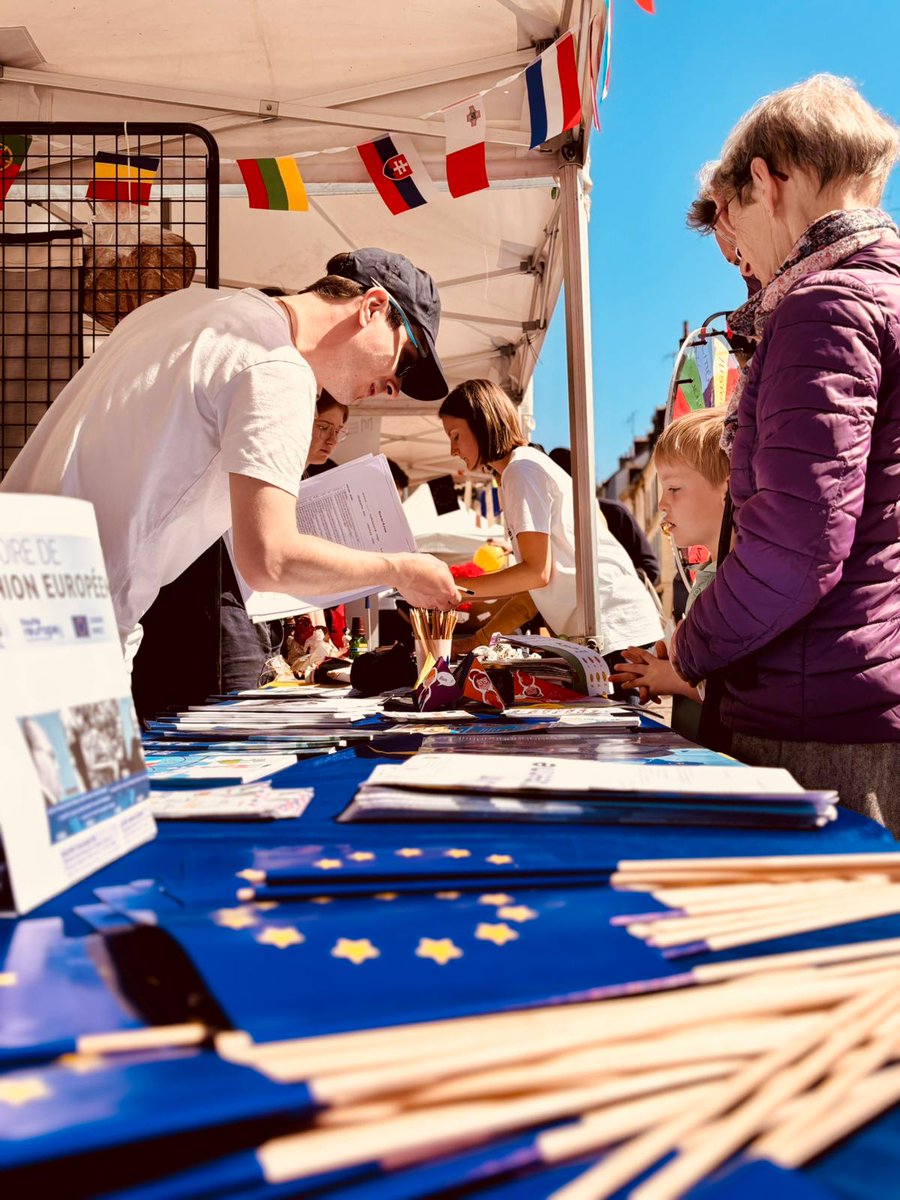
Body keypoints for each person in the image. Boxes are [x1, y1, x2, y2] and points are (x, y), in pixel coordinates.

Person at [1, 248, 462, 673]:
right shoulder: (276, 365)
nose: (394, 387)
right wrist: (399, 569)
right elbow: (271, 559)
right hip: (61, 628)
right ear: (373, 307)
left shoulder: (185, 307)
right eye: (406, 361)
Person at [669, 74, 900, 831]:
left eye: (732, 211)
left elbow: (797, 547)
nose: (735, 250)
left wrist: (692, 643)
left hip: (823, 706)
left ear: (768, 182)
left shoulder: (825, 304)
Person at [439, 380, 663, 669]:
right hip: (615, 628)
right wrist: (474, 628)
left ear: (481, 424)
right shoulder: (522, 468)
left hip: (613, 629)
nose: (452, 449)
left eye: (455, 436)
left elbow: (536, 573)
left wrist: (454, 589)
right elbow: (533, 589)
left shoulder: (521, 471)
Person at [218, 391, 351, 691]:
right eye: (323, 427)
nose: (331, 440)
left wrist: (317, 630)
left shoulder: (301, 478)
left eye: (338, 431)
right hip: (234, 610)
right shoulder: (267, 467)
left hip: (264, 616)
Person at [610, 410, 729, 741]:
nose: (662, 503)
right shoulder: (713, 574)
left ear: (727, 490)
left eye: (674, 488)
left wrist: (668, 678)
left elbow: (731, 690)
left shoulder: (733, 585)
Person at [548, 447, 661, 586]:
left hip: (621, 603)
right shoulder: (549, 524)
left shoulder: (614, 514)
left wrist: (609, 581)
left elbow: (650, 569)